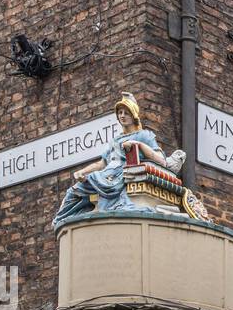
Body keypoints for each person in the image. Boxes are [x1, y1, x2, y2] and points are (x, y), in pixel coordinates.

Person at [52, 93, 168, 227]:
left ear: (134, 115)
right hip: (106, 173)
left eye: (127, 113)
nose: (122, 116)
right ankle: (64, 223)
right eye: (120, 112)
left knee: (95, 182)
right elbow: (102, 163)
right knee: (73, 192)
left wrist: (138, 145)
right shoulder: (115, 140)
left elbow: (161, 160)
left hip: (120, 174)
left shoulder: (143, 135)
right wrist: (82, 171)